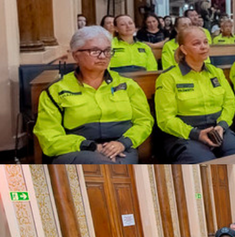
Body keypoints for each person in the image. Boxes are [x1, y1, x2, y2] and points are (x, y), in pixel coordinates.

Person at [34, 26, 153, 164]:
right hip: (76, 150)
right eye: (95, 51)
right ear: (76, 55)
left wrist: (123, 143)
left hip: (121, 149)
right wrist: (90, 146)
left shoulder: (128, 85)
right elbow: (48, 135)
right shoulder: (56, 90)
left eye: (107, 51)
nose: (103, 56)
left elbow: (144, 121)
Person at [155, 26, 235, 163]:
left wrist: (222, 125)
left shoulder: (216, 72)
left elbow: (229, 101)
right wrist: (195, 134)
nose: (203, 47)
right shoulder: (169, 77)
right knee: (204, 164)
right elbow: (165, 119)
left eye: (205, 42)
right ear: (184, 49)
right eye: (196, 43)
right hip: (184, 134)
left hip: (218, 129)